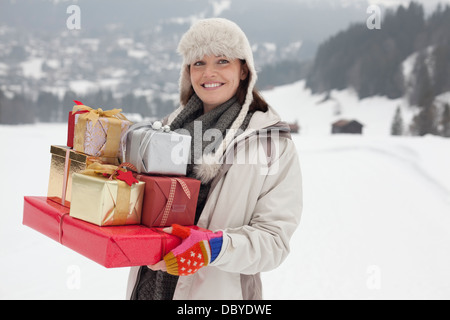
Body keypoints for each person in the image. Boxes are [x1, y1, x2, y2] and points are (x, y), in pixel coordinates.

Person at [127, 18, 302, 300]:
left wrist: (214, 247)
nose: (209, 72)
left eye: (222, 61)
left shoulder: (271, 144)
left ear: (243, 69)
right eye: (198, 62)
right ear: (188, 71)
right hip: (150, 287)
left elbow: (274, 241)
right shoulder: (165, 131)